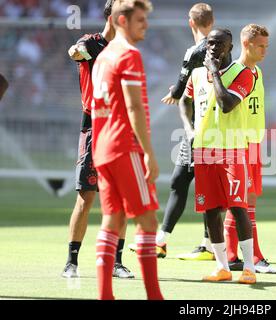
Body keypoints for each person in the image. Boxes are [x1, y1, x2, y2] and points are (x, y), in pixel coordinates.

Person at [91, 0, 163, 300]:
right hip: (125, 146)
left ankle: (106, 295)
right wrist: (148, 151)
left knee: (113, 220)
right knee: (147, 220)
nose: (145, 24)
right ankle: (154, 296)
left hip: (103, 148)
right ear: (122, 21)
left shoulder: (104, 56)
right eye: (140, 19)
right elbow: (133, 107)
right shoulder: (128, 54)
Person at [62, 0, 134, 279]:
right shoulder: (90, 43)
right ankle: (71, 262)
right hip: (94, 126)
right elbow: (75, 52)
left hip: (120, 129)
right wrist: (75, 51)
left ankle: (116, 262)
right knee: (86, 197)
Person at [180, 28, 257, 284]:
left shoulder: (243, 74)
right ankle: (222, 267)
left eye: (220, 44)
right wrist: (189, 130)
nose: (214, 48)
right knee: (210, 210)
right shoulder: (196, 74)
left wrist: (214, 71)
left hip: (233, 150)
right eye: (210, 43)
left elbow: (226, 105)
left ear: (230, 47)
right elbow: (184, 101)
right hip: (204, 151)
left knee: (237, 207)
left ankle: (249, 268)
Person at [149, 3, 216, 260]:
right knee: (205, 185)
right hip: (217, 128)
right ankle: (208, 244)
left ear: (191, 23)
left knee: (179, 181)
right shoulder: (223, 46)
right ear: (212, 21)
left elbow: (179, 89)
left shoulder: (195, 50)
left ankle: (161, 242)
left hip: (198, 129)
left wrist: (173, 92)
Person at [223, 24, 276, 274]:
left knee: (245, 201)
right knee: (243, 202)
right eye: (260, 46)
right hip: (238, 144)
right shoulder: (234, 71)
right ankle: (255, 258)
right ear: (246, 44)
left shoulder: (258, 71)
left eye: (267, 46)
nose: (265, 51)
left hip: (254, 144)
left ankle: (233, 254)